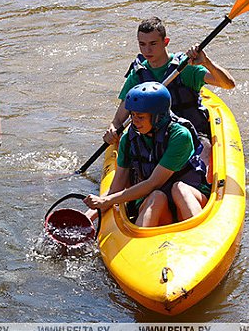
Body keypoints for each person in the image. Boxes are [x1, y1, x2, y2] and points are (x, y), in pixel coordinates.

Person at [84, 82, 210, 227]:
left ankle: (198, 230)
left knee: (180, 189)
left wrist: (107, 201)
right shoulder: (129, 139)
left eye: (140, 116)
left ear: (158, 117)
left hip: (188, 198)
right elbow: (116, 188)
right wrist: (88, 217)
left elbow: (154, 183)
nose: (134, 121)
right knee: (157, 197)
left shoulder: (180, 136)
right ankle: (139, 238)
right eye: (132, 115)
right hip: (157, 206)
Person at [103, 17, 236, 146]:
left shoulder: (185, 67)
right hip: (156, 140)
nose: (147, 50)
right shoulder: (137, 75)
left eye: (153, 44)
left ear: (165, 42)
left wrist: (207, 62)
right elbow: (119, 119)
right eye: (142, 44)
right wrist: (112, 129)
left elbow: (228, 84)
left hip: (192, 136)